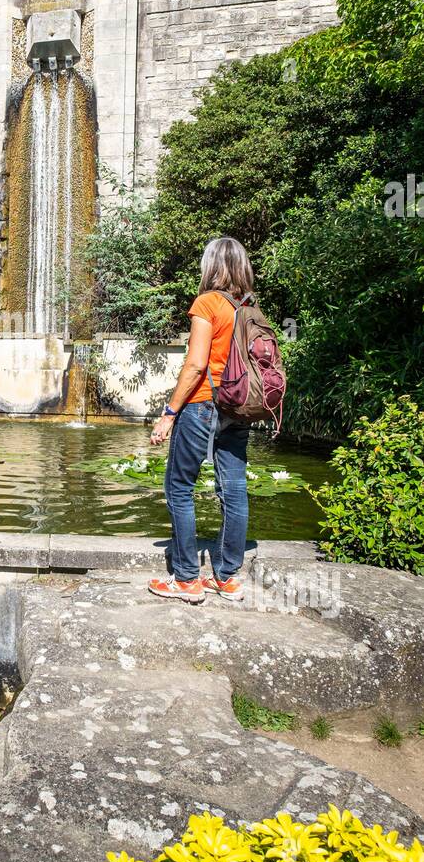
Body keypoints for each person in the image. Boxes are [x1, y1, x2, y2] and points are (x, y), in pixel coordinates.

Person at [147, 237, 254, 606]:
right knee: (234, 489)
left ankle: (187, 579)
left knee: (179, 487)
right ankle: (226, 578)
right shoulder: (250, 307)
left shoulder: (207, 303)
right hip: (239, 407)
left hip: (204, 404)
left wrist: (169, 413)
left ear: (211, 266)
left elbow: (195, 365)